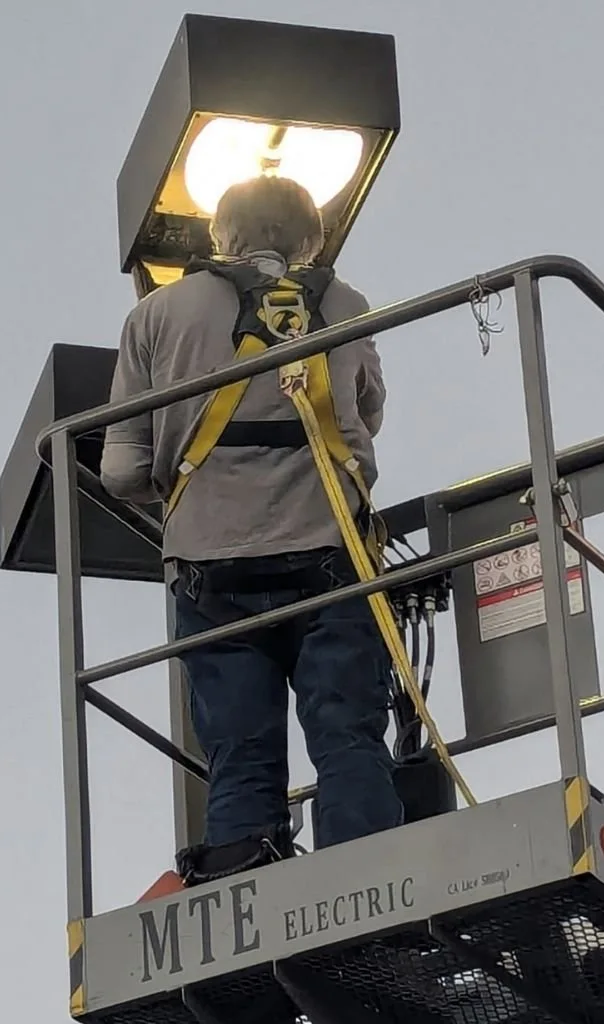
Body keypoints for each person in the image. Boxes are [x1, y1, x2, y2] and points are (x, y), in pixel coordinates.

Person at [100, 174, 404, 880]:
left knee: (239, 755)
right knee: (348, 737)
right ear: (308, 240)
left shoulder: (155, 316)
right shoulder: (343, 302)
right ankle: (367, 886)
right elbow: (366, 421)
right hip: (330, 556)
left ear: (219, 235)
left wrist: (191, 491)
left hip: (209, 568)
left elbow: (119, 471)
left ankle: (247, 889)